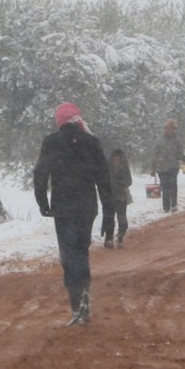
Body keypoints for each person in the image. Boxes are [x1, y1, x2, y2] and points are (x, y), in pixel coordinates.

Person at [34, 102, 113, 326]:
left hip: (63, 208)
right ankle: (84, 293)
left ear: (59, 121)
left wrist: (42, 202)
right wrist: (109, 214)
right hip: (87, 207)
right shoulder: (91, 142)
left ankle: (76, 303)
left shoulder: (51, 142)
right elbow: (104, 180)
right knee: (81, 250)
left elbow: (40, 173)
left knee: (69, 255)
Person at [149, 119, 185, 213]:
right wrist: (153, 168)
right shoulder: (159, 141)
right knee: (165, 187)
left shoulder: (177, 141)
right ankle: (166, 207)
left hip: (173, 168)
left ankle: (173, 205)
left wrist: (183, 158)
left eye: (173, 129)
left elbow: (179, 153)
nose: (171, 131)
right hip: (161, 168)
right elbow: (154, 155)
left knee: (173, 186)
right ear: (165, 129)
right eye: (169, 128)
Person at [102, 148, 132, 248]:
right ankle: (109, 238)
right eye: (114, 159)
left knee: (122, 219)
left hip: (121, 196)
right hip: (109, 197)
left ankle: (120, 238)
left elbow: (129, 181)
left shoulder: (124, 168)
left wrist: (117, 184)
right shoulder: (107, 167)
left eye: (118, 159)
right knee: (109, 219)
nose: (116, 161)